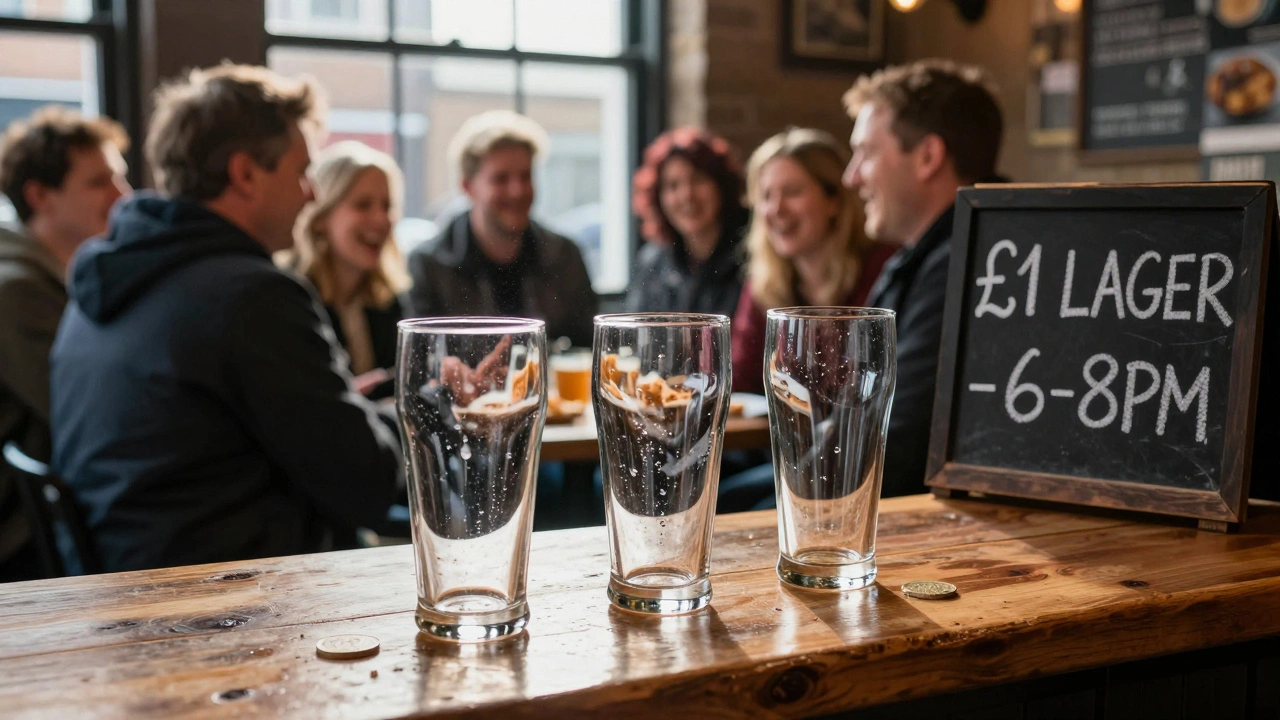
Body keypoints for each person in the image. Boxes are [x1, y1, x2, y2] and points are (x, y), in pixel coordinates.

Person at [49, 64, 401, 572]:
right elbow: (365, 484)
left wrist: (350, 414)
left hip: (115, 595)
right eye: (301, 171)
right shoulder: (252, 296)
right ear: (245, 174)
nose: (311, 194)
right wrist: (418, 409)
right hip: (225, 609)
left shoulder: (101, 281)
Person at [842, 59, 1004, 498]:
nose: (851, 176)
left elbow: (893, 446)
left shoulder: (966, 262)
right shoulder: (948, 252)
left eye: (867, 153)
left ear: (929, 157)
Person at [0, 106, 130, 580]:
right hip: (23, 539)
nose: (123, 195)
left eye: (120, 177)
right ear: (39, 195)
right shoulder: (15, 290)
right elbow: (80, 416)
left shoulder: (58, 277)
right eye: (99, 182)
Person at [407, 110, 598, 347]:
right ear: (468, 186)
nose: (517, 191)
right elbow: (425, 364)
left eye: (525, 176)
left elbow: (588, 351)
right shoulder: (430, 265)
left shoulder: (564, 255)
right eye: (501, 179)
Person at [730, 127, 893, 395]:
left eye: (792, 192)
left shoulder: (881, 270)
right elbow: (739, 383)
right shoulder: (765, 284)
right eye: (766, 196)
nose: (776, 209)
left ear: (834, 201)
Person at [278, 140, 409, 398]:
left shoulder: (388, 300)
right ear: (321, 218)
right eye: (363, 205)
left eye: (387, 206)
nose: (382, 220)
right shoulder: (291, 300)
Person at [627, 127, 748, 318]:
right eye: (673, 185)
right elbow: (636, 338)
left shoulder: (753, 256)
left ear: (722, 185)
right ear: (658, 197)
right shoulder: (651, 263)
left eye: (698, 179)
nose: (687, 196)